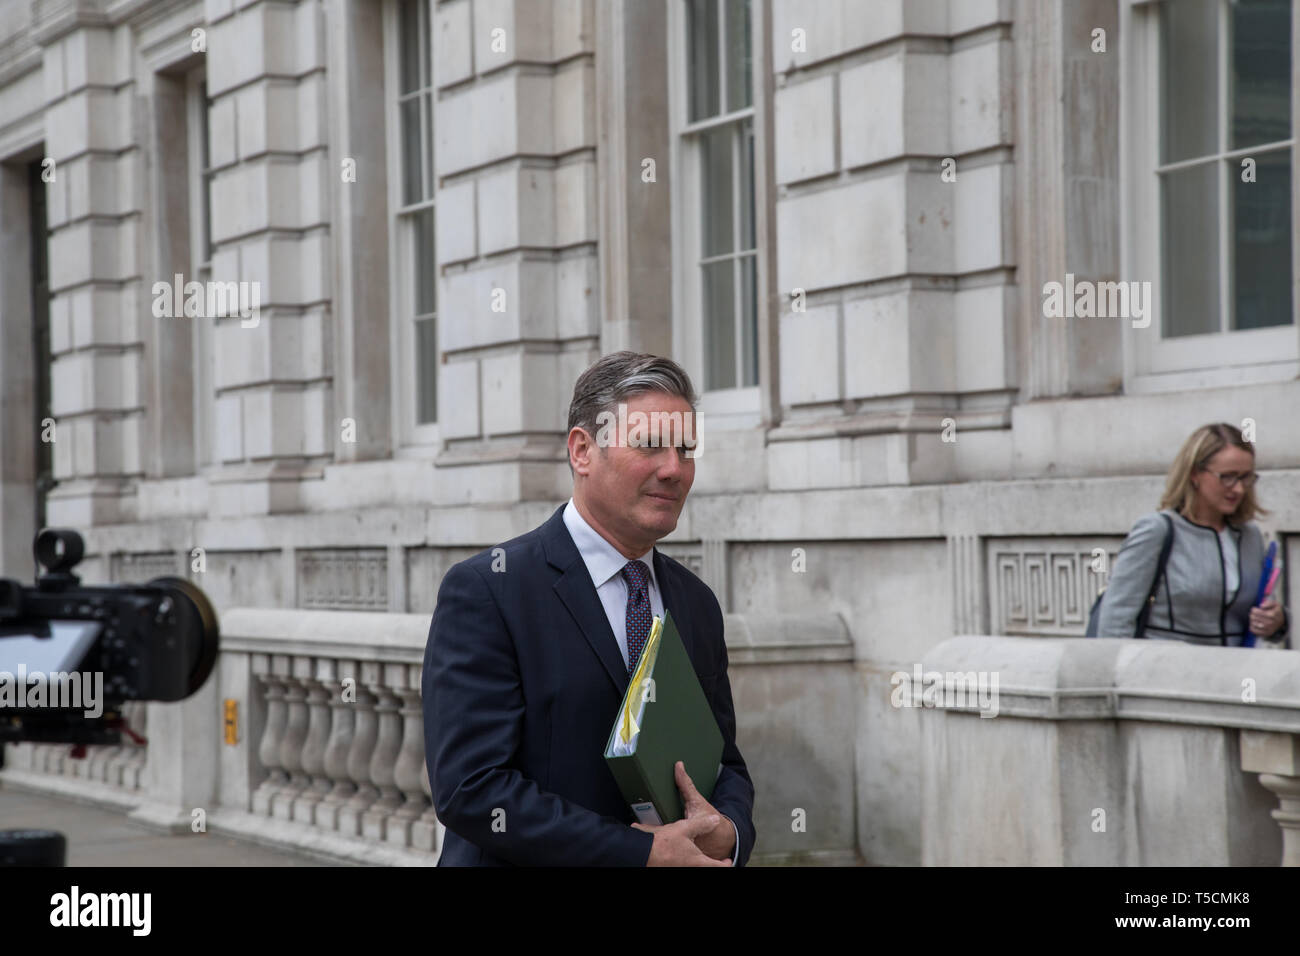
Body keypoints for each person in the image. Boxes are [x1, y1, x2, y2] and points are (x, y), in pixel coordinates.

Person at [422, 351, 756, 865]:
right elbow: (472, 790)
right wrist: (638, 853)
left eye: (686, 449)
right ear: (582, 450)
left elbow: (723, 763)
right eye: (650, 445)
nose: (674, 469)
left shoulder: (697, 604)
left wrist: (728, 834)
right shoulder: (488, 591)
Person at [1096, 422, 1289, 645]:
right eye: (1227, 476)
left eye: (1246, 478)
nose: (1238, 488)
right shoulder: (1157, 531)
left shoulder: (1250, 536)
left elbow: (1259, 613)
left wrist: (1276, 621)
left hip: (1233, 673)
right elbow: (1115, 620)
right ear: (1195, 474)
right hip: (1165, 673)